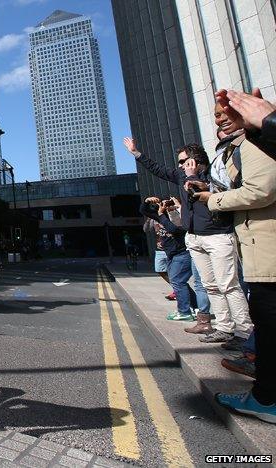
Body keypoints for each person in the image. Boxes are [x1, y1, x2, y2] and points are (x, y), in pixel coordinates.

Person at [194, 89, 276, 424]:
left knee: (266, 318)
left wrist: (212, 201)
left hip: (266, 245)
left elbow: (260, 190)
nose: (222, 118)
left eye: (228, 111)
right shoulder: (247, 144)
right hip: (258, 243)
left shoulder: (254, 144)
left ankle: (266, 398)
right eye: (216, 114)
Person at [124, 137, 251, 344]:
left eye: (184, 161)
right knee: (211, 286)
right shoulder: (181, 177)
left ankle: (244, 332)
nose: (181, 166)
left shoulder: (212, 176)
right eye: (180, 162)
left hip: (217, 236)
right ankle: (224, 327)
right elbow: (157, 169)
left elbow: (219, 195)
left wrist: (195, 177)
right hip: (195, 237)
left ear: (197, 161)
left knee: (228, 285)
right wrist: (136, 153)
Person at [140, 197, 197, 321]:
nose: (164, 206)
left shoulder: (179, 217)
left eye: (167, 204)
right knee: (179, 282)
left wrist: (162, 214)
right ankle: (195, 307)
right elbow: (144, 211)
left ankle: (184, 312)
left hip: (182, 254)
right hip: (172, 255)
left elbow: (173, 229)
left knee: (177, 281)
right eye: (162, 204)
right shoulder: (161, 216)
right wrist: (146, 201)